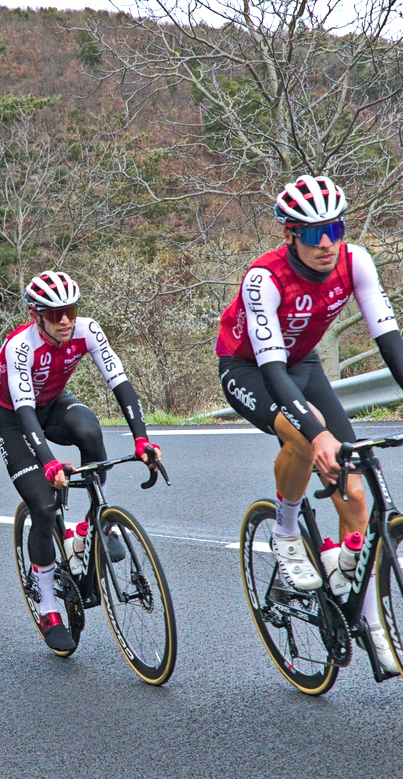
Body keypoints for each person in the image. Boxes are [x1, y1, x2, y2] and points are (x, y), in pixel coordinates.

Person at [216, 174, 402, 676]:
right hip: (249, 369)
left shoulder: (355, 261)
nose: (327, 242)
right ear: (290, 234)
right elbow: (271, 371)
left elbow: (390, 341)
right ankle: (285, 528)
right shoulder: (264, 277)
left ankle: (366, 614)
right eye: (313, 232)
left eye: (335, 228)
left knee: (356, 491)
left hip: (303, 364)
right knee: (303, 434)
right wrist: (318, 434)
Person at [0, 271, 161, 652]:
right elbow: (24, 411)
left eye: (70, 310)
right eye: (55, 314)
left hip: (53, 405)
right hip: (16, 420)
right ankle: (49, 606)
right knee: (44, 506)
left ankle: (90, 526)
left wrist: (141, 438)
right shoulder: (20, 347)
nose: (65, 320)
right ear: (37, 316)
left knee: (90, 432)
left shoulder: (87, 330)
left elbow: (119, 381)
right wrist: (49, 463)